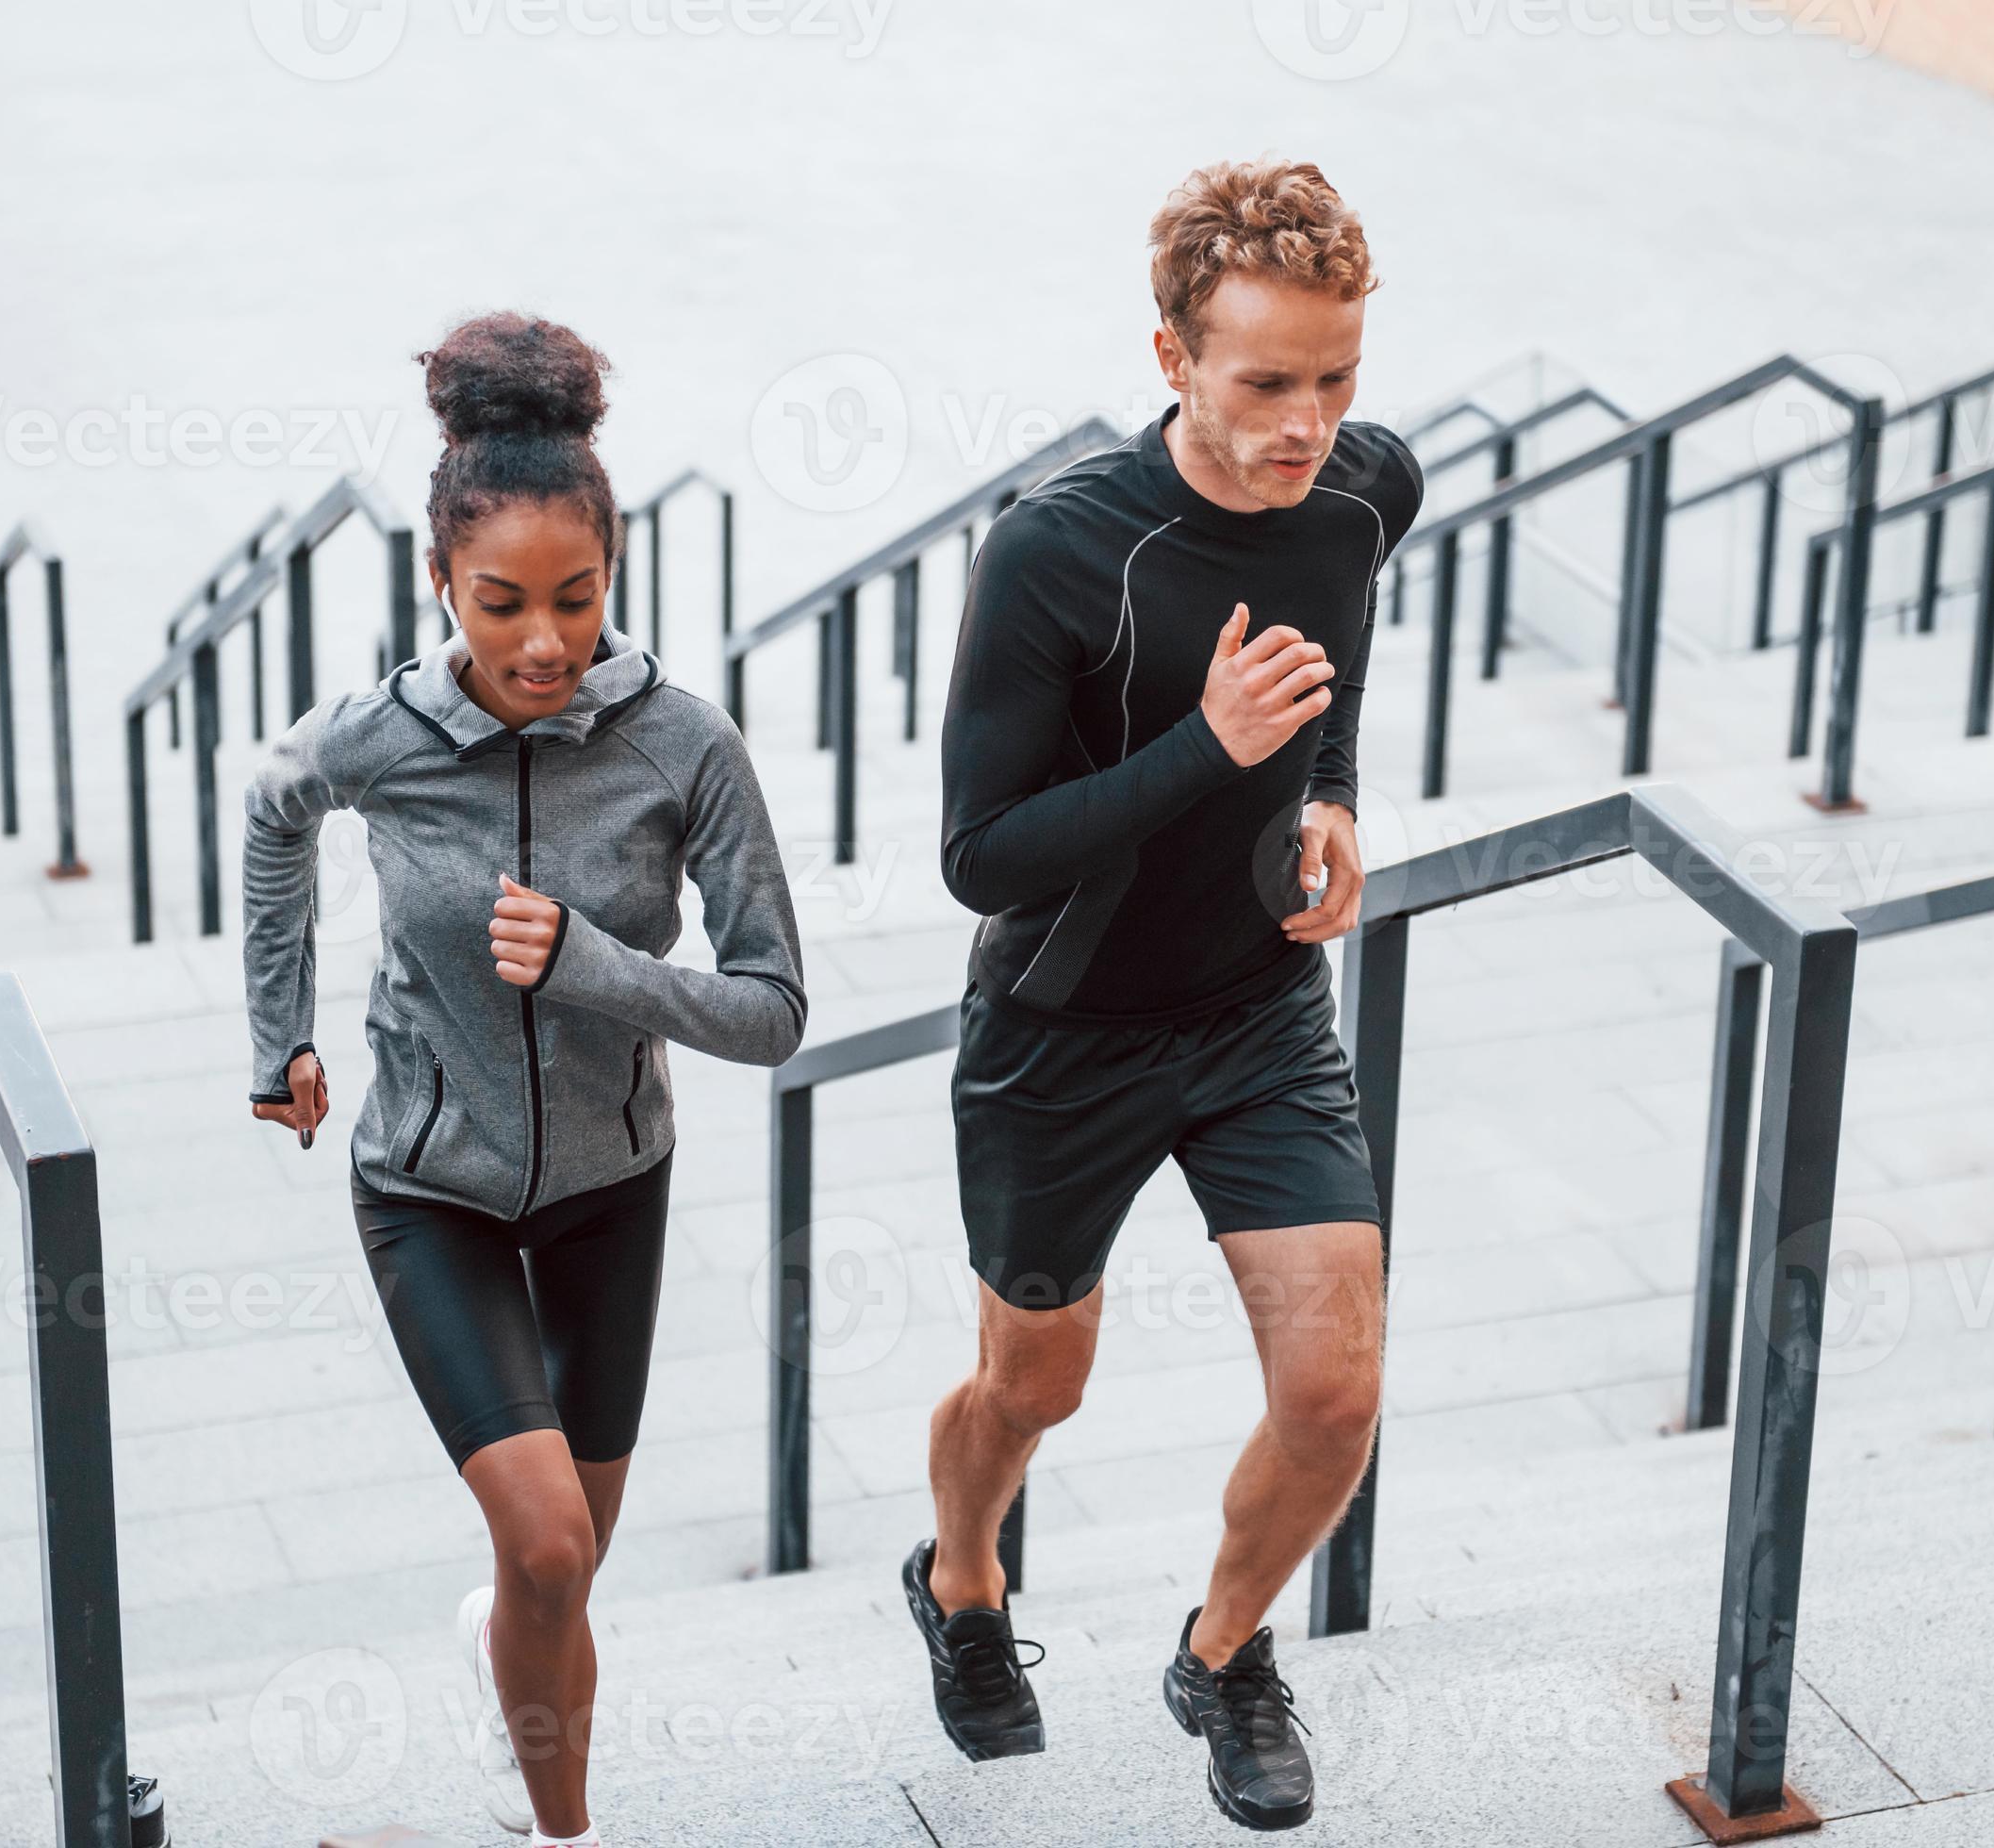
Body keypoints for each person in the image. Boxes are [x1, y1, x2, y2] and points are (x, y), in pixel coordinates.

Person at [243, 313, 807, 1847]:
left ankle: (507, 1664)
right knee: (549, 1549)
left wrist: (593, 969)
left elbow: (775, 1012)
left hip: (615, 1193)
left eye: (576, 597)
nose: (543, 639)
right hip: (429, 1189)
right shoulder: (381, 738)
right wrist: (276, 1034)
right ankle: (564, 1829)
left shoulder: (683, 747)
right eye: (502, 603)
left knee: (565, 1562)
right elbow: (274, 812)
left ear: (614, 575)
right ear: (443, 583)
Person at [906, 159, 1424, 1832]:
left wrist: (1328, 794)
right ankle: (964, 1575)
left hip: (1259, 1014)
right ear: (1172, 358)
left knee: (1336, 1391)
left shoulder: (1365, 489)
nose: (1309, 423)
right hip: (1063, 1029)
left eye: (1337, 377)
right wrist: (1210, 750)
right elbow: (983, 858)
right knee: (1035, 1386)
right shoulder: (1058, 553)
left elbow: (1331, 667)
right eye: (1266, 381)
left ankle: (1224, 1654)